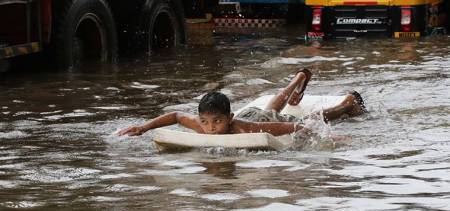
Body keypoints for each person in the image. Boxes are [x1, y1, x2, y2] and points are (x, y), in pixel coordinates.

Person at [117, 69, 366, 137]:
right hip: (253, 112)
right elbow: (174, 115)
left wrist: (321, 136)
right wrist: (143, 128)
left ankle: (346, 104)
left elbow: (291, 128)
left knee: (296, 117)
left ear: (230, 118)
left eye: (217, 122)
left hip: (256, 119)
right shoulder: (200, 124)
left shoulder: (244, 128)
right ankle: (298, 77)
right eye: (206, 122)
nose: (211, 128)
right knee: (269, 107)